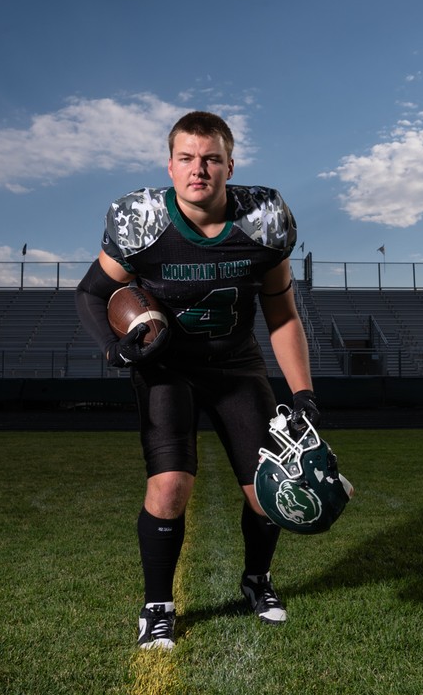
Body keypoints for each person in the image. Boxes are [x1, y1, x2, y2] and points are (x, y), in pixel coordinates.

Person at [75, 110, 318, 651]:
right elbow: (91, 293)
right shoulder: (141, 221)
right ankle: (157, 607)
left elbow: (281, 313)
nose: (198, 169)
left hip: (236, 363)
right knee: (169, 486)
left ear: (230, 165)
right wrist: (115, 349)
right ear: (170, 165)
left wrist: (302, 392)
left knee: (268, 492)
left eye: (210, 159)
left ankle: (257, 580)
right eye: (186, 158)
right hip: (167, 367)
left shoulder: (264, 220)